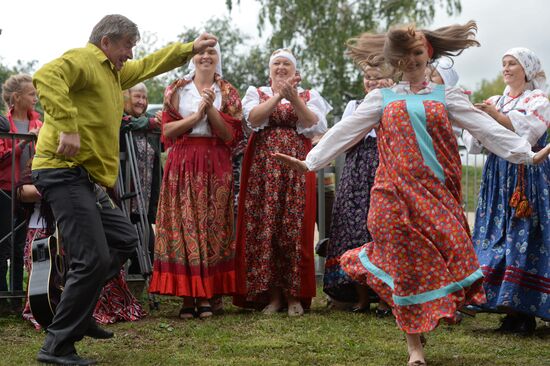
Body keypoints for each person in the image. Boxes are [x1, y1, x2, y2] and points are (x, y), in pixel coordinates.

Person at [274, 22, 550, 365]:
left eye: (418, 53)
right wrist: (310, 162)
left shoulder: (445, 96)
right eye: (405, 55)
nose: (412, 60)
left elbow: (487, 129)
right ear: (397, 60)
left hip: (434, 192)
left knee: (455, 254)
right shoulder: (381, 98)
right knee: (404, 266)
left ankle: (413, 292)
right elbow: (345, 131)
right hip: (391, 191)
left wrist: (526, 153)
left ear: (427, 53)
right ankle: (414, 347)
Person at [31, 14, 217, 365]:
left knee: (126, 240)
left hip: (86, 179)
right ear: (107, 42)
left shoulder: (114, 74)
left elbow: (149, 65)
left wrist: (188, 49)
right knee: (92, 259)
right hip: (63, 172)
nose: (130, 54)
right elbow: (45, 76)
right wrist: (67, 126)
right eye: (127, 46)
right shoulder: (84, 60)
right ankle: (57, 346)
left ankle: (78, 311)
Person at [233, 48, 332, 316]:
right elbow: (253, 119)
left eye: (286, 64)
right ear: (269, 70)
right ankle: (273, 296)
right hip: (263, 168)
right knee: (266, 227)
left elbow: (312, 123)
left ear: (295, 70)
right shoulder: (257, 92)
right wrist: (278, 95)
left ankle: (294, 296)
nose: (281, 67)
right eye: (276, 63)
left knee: (294, 228)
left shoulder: (309, 96)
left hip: (296, 166)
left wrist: (294, 99)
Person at [148, 43, 243, 319]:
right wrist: (196, 116)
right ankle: (189, 296)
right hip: (183, 159)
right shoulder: (177, 88)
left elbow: (230, 137)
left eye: (212, 53)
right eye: (201, 52)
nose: (206, 56)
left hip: (215, 161)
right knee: (184, 222)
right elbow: (167, 131)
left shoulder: (227, 92)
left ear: (218, 59)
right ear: (193, 57)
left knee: (211, 225)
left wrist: (210, 109)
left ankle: (207, 294)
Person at [463, 48, 550, 333]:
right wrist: (473, 117)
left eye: (513, 63)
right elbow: (476, 141)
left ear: (527, 69)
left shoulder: (538, 100)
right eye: (504, 63)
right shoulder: (495, 100)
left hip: (527, 177)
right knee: (495, 233)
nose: (507, 68)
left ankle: (524, 311)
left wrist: (495, 117)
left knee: (524, 234)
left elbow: (528, 133)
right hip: (497, 176)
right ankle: (508, 306)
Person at [323, 64, 393, 316]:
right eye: (368, 78)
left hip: (383, 167)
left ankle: (386, 299)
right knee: (355, 231)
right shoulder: (354, 106)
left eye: (378, 77)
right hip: (356, 172)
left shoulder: (395, 103)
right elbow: (346, 137)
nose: (372, 82)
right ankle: (361, 297)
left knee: (382, 232)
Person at [0, 74, 42, 315]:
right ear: (17, 97)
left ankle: (19, 297)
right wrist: (26, 142)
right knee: (5, 247)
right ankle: (4, 296)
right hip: (7, 190)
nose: (35, 99)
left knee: (22, 244)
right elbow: (3, 157)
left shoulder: (39, 122)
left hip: (31, 191)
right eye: (31, 94)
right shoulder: (4, 124)